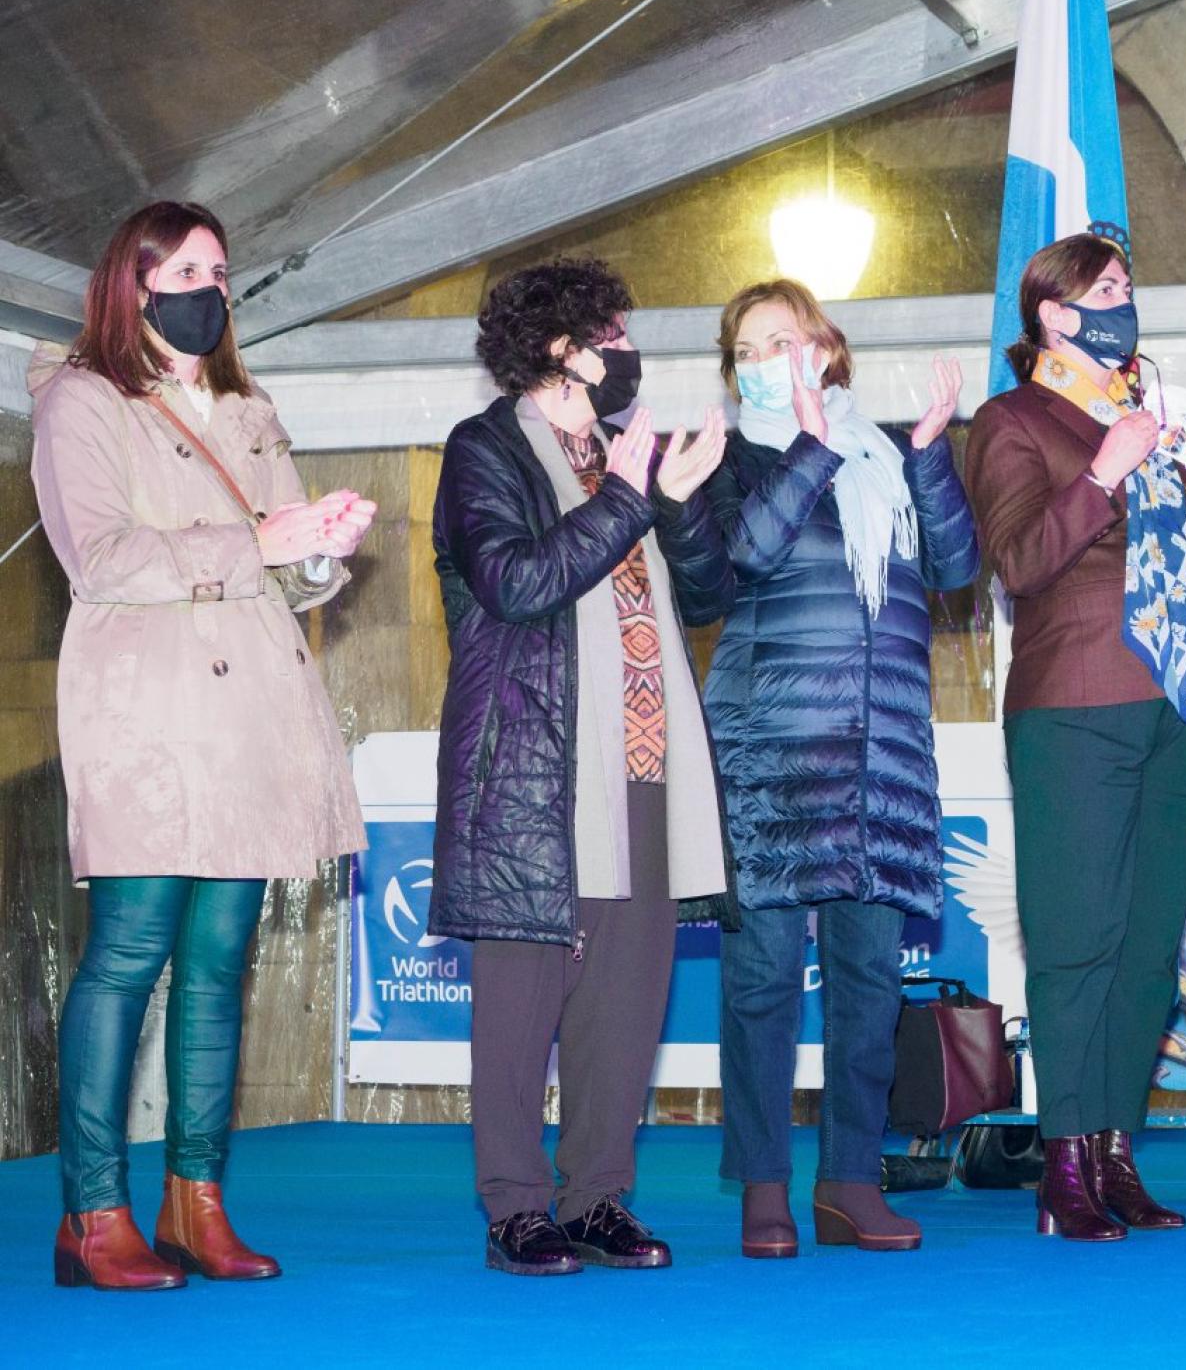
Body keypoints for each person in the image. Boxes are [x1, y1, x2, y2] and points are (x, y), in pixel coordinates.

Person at [31, 200, 375, 1290]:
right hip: (147, 714)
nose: (209, 287)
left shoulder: (249, 406)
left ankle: (196, 1198)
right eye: (185, 267)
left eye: (221, 270)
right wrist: (262, 540)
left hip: (250, 719)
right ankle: (93, 1214)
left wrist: (320, 549)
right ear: (129, 284)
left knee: (218, 967)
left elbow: (286, 562)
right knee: (128, 954)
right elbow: (101, 558)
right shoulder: (83, 402)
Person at [657, 277, 977, 1259]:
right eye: (746, 349)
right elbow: (739, 562)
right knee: (759, 981)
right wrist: (812, 447)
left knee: (869, 982)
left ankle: (849, 1180)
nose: (765, 360)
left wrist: (928, 461)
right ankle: (763, 1185)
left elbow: (958, 572)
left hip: (881, 756)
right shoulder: (730, 455)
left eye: (783, 339)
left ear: (825, 347)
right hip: (771, 760)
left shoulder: (883, 445)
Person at [429, 257, 733, 1276]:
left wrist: (679, 505)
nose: (625, 349)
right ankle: (516, 1207)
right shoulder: (486, 450)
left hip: (650, 758)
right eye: (611, 331)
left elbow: (700, 595)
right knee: (521, 1001)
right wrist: (632, 501)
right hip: (537, 762)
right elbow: (515, 582)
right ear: (560, 347)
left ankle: (599, 1196)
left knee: (624, 999)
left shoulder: (623, 451)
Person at [963, 231, 1186, 1242]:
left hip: (1171, 701)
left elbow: (1185, 563)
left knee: (1150, 944)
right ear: (1054, 315)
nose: (1127, 301)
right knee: (1076, 939)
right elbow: (1024, 560)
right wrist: (1105, 474)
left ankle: (1118, 1152)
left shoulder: (1137, 414)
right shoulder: (1012, 420)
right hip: (1073, 702)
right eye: (1108, 287)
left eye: (1128, 282)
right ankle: (1064, 1163)